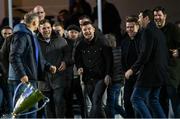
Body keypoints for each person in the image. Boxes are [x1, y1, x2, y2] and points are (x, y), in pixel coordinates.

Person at [9, 12, 56, 118]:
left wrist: (48, 66)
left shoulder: (30, 35)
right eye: (38, 23)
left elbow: (38, 58)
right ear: (34, 22)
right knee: (24, 112)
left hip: (30, 79)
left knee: (32, 110)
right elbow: (14, 56)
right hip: (22, 80)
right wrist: (22, 74)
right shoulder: (21, 35)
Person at [125, 9, 168, 118]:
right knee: (152, 100)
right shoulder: (159, 32)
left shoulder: (147, 31)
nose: (139, 20)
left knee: (135, 98)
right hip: (160, 73)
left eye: (140, 18)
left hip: (150, 74)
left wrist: (132, 69)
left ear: (146, 18)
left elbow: (145, 54)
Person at [74, 21, 113, 118]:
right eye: (84, 30)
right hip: (87, 79)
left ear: (93, 30)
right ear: (82, 32)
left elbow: (109, 60)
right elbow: (77, 59)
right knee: (97, 105)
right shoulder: (80, 45)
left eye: (89, 29)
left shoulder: (103, 42)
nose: (87, 31)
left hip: (101, 78)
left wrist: (108, 74)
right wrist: (79, 67)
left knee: (96, 100)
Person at [37, 19, 71, 118]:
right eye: (44, 28)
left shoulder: (61, 40)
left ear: (51, 28)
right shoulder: (34, 42)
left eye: (48, 27)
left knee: (59, 101)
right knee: (47, 104)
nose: (46, 30)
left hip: (58, 77)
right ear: (39, 29)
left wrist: (65, 62)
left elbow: (68, 54)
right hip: (42, 78)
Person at [153, 6, 180, 118]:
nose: (157, 17)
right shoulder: (153, 31)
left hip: (171, 72)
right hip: (158, 73)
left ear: (165, 16)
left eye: (159, 15)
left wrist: (178, 52)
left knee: (174, 100)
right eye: (155, 15)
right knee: (160, 102)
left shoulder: (173, 28)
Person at [121, 15, 141, 118]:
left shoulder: (143, 40)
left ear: (138, 26)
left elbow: (144, 58)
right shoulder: (124, 41)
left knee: (137, 102)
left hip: (141, 76)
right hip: (128, 76)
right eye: (127, 27)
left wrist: (137, 70)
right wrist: (125, 72)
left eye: (132, 27)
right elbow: (122, 59)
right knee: (127, 101)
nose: (129, 29)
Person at [104, 33, 126, 118]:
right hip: (120, 81)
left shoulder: (110, 53)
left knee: (111, 105)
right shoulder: (120, 50)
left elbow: (111, 68)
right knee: (115, 104)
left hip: (114, 81)